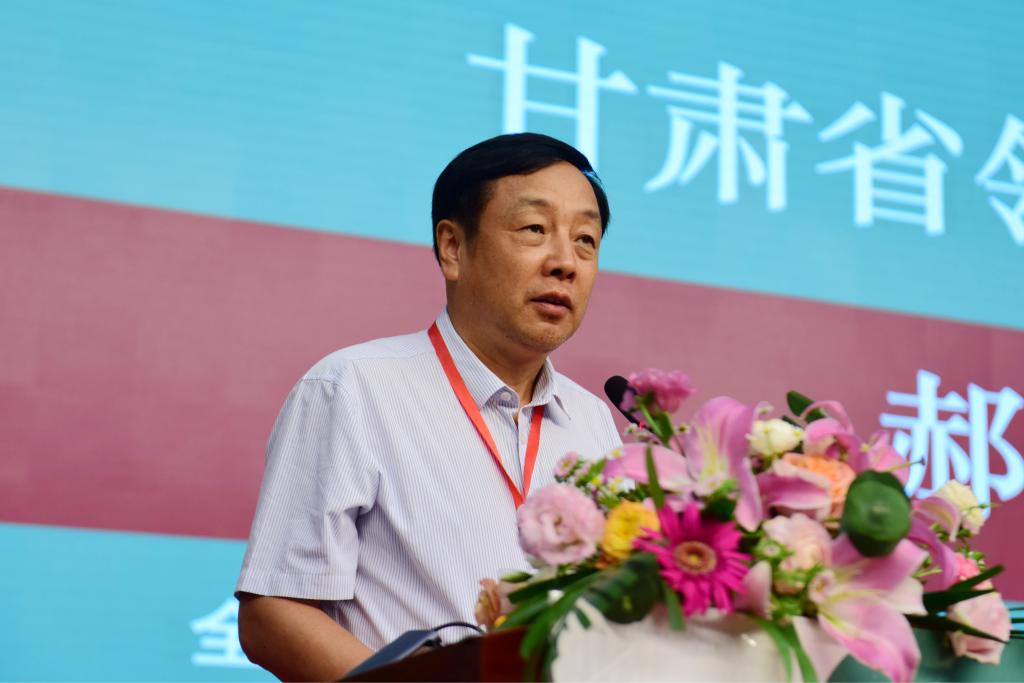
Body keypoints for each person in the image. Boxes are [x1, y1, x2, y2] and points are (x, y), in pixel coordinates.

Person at [235, 133, 622, 680]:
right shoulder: (354, 388)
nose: (566, 263)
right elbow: (273, 615)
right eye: (534, 229)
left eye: (586, 240)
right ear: (453, 248)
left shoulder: (593, 421)